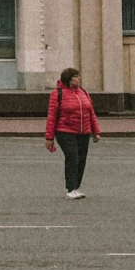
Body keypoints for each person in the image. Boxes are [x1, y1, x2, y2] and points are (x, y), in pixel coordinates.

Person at [45, 66, 101, 198]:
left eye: (79, 76)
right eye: (76, 76)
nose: (79, 78)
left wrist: (96, 131)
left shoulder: (83, 92)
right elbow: (52, 116)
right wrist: (49, 137)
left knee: (81, 159)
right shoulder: (58, 94)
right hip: (65, 131)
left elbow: (90, 112)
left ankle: (76, 187)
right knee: (72, 157)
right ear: (69, 80)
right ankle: (70, 189)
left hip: (84, 132)